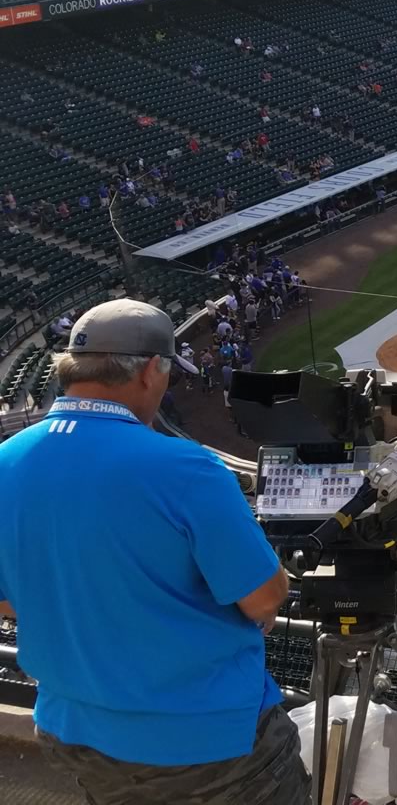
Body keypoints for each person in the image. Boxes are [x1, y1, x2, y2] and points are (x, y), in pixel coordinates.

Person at [0, 301, 307, 805]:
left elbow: (7, 598)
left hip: (71, 728)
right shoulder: (185, 467)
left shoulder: (5, 460)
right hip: (206, 743)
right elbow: (264, 597)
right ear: (149, 371)